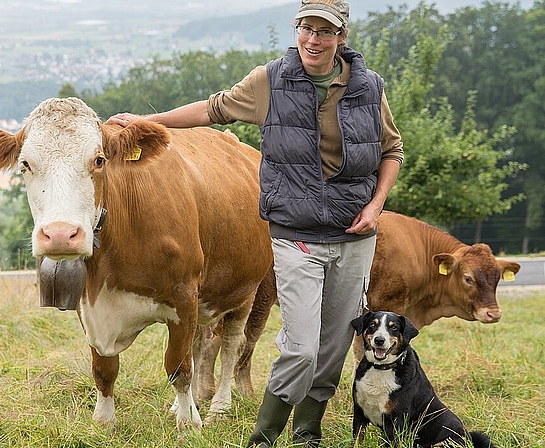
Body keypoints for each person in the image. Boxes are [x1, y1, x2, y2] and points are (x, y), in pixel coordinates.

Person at [110, 0, 403, 445]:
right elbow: (213, 110)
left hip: (354, 234)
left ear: (342, 38)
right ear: (297, 29)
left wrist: (376, 205)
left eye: (325, 31)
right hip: (294, 232)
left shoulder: (370, 87)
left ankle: (307, 431)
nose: (314, 39)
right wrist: (146, 122)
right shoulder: (270, 81)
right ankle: (263, 437)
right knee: (301, 348)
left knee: (333, 347)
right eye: (307, 28)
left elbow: (391, 151)